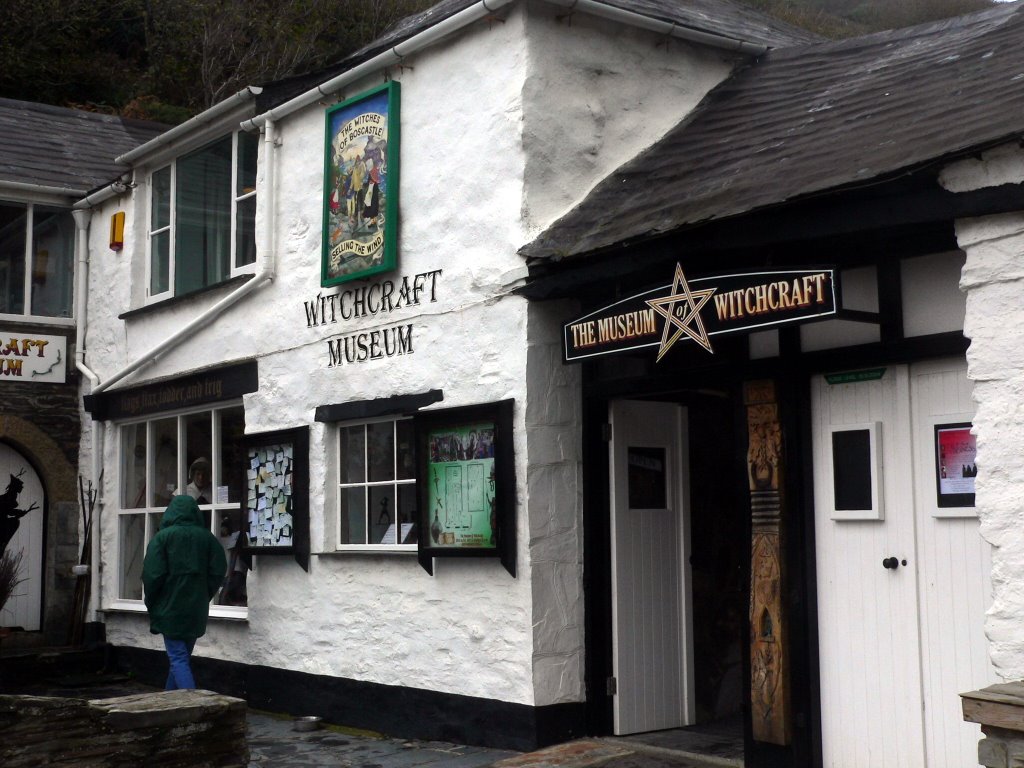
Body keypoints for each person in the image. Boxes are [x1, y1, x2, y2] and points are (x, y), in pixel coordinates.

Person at [142, 495, 227, 690]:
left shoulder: (162, 538)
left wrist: (153, 602)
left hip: (170, 609)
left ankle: (193, 707)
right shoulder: (207, 539)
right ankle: (167, 705)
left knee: (178, 660)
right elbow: (218, 570)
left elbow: (152, 575)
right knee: (181, 659)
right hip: (196, 609)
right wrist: (205, 593)